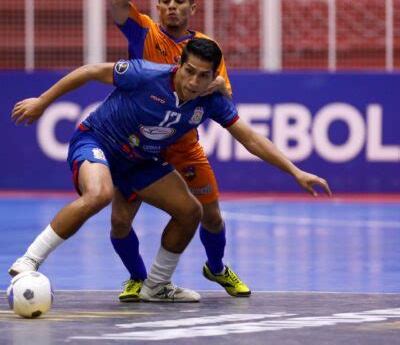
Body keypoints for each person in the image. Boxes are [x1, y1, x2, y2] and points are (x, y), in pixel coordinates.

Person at [9, 39, 331, 303]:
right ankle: (29, 261)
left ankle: (156, 286)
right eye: (189, 71)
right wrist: (43, 101)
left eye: (203, 76)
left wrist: (295, 172)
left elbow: (250, 139)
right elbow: (92, 71)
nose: (193, 81)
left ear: (214, 77)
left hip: (141, 160)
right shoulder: (145, 74)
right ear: (179, 64)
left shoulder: (211, 101)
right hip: (98, 140)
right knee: (100, 195)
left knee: (191, 211)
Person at [107, 0, 248, 302]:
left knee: (212, 217)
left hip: (183, 145)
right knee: (120, 221)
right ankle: (139, 278)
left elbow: (224, 89)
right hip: (139, 145)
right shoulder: (144, 33)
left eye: (179, 0)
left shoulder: (206, 47)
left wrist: (215, 86)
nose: (172, 5)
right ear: (157, 7)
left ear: (192, 8)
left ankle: (215, 267)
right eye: (166, 0)